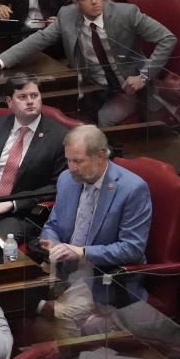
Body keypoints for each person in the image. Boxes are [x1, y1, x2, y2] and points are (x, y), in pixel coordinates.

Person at [0, 0, 175, 127]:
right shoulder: (67, 15)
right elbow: (39, 39)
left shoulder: (126, 13)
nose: (95, 1)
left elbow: (167, 38)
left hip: (126, 88)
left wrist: (143, 76)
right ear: (76, 3)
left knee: (104, 118)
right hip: (90, 86)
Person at [37, 125, 152, 336]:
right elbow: (52, 225)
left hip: (102, 279)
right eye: (68, 160)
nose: (71, 168)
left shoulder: (133, 190)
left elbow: (132, 249)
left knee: (54, 318)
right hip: (62, 272)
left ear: (100, 157)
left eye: (77, 161)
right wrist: (51, 242)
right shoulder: (67, 180)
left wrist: (82, 252)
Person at [0, 74, 67, 242]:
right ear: (9, 102)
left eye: (34, 96)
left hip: (18, 215)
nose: (30, 101)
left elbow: (56, 186)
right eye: (22, 97)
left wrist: (13, 203)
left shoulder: (59, 137)